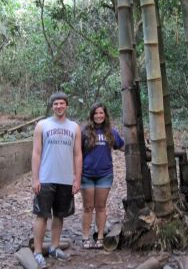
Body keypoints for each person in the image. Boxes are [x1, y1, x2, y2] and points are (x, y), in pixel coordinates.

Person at [31, 91, 82, 269]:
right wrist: (35, 178)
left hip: (66, 178)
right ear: (52, 106)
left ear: (67, 106)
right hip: (46, 178)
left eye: (62, 103)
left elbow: (77, 154)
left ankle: (54, 247)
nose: (59, 106)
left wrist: (77, 179)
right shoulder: (42, 125)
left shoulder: (74, 127)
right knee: (41, 215)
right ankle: (38, 251)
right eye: (56, 104)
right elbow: (36, 153)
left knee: (59, 215)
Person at [81, 102, 124, 249]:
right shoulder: (84, 131)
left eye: (101, 113)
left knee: (100, 206)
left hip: (104, 174)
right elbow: (76, 153)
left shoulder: (110, 132)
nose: (99, 116)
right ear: (92, 115)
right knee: (88, 207)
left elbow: (122, 146)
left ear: (105, 115)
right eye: (96, 113)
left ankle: (100, 237)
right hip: (86, 174)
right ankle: (85, 237)